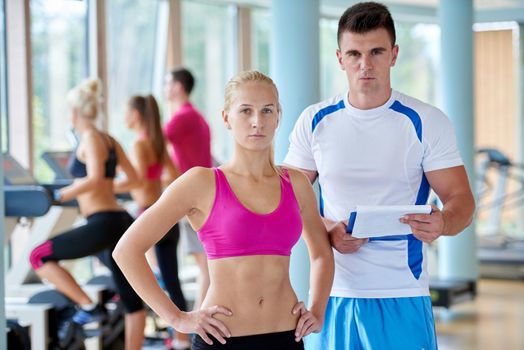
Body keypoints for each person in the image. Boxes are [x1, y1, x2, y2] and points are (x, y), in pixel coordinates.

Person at [283, 2, 476, 350]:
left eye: (376, 52)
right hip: (332, 294)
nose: (365, 64)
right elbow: (285, 200)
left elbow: (461, 200)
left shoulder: (426, 121)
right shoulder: (314, 121)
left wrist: (444, 222)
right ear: (340, 58)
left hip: (402, 291)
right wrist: (326, 227)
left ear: (394, 54)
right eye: (354, 53)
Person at [113, 70, 334, 350]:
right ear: (226, 118)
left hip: (286, 337)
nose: (257, 122)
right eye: (245, 111)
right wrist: (177, 318)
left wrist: (317, 310)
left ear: (279, 116)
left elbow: (321, 254)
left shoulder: (296, 183)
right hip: (222, 338)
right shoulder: (201, 183)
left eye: (267, 110)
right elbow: (126, 250)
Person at [29, 78, 147, 349]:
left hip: (103, 222)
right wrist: (108, 187)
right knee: (132, 300)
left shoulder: (91, 138)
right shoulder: (109, 139)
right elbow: (135, 179)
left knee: (38, 256)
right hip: (119, 221)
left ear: (74, 112)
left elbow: (93, 178)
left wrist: (60, 195)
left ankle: (88, 306)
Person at [123, 94, 190, 350]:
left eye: (126, 112)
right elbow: (173, 176)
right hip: (165, 217)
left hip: (148, 215)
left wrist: (116, 184)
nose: (124, 118)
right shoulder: (158, 143)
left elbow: (137, 182)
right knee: (172, 279)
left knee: (142, 271)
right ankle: (182, 340)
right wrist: (155, 183)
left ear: (136, 115)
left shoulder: (139, 145)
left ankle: (168, 326)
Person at [163, 67, 212, 311]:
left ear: (178, 87)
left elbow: (151, 144)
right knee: (205, 263)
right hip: (201, 192)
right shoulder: (197, 117)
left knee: (204, 264)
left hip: (193, 196)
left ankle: (199, 324)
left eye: (167, 83)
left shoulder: (182, 118)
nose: (164, 89)